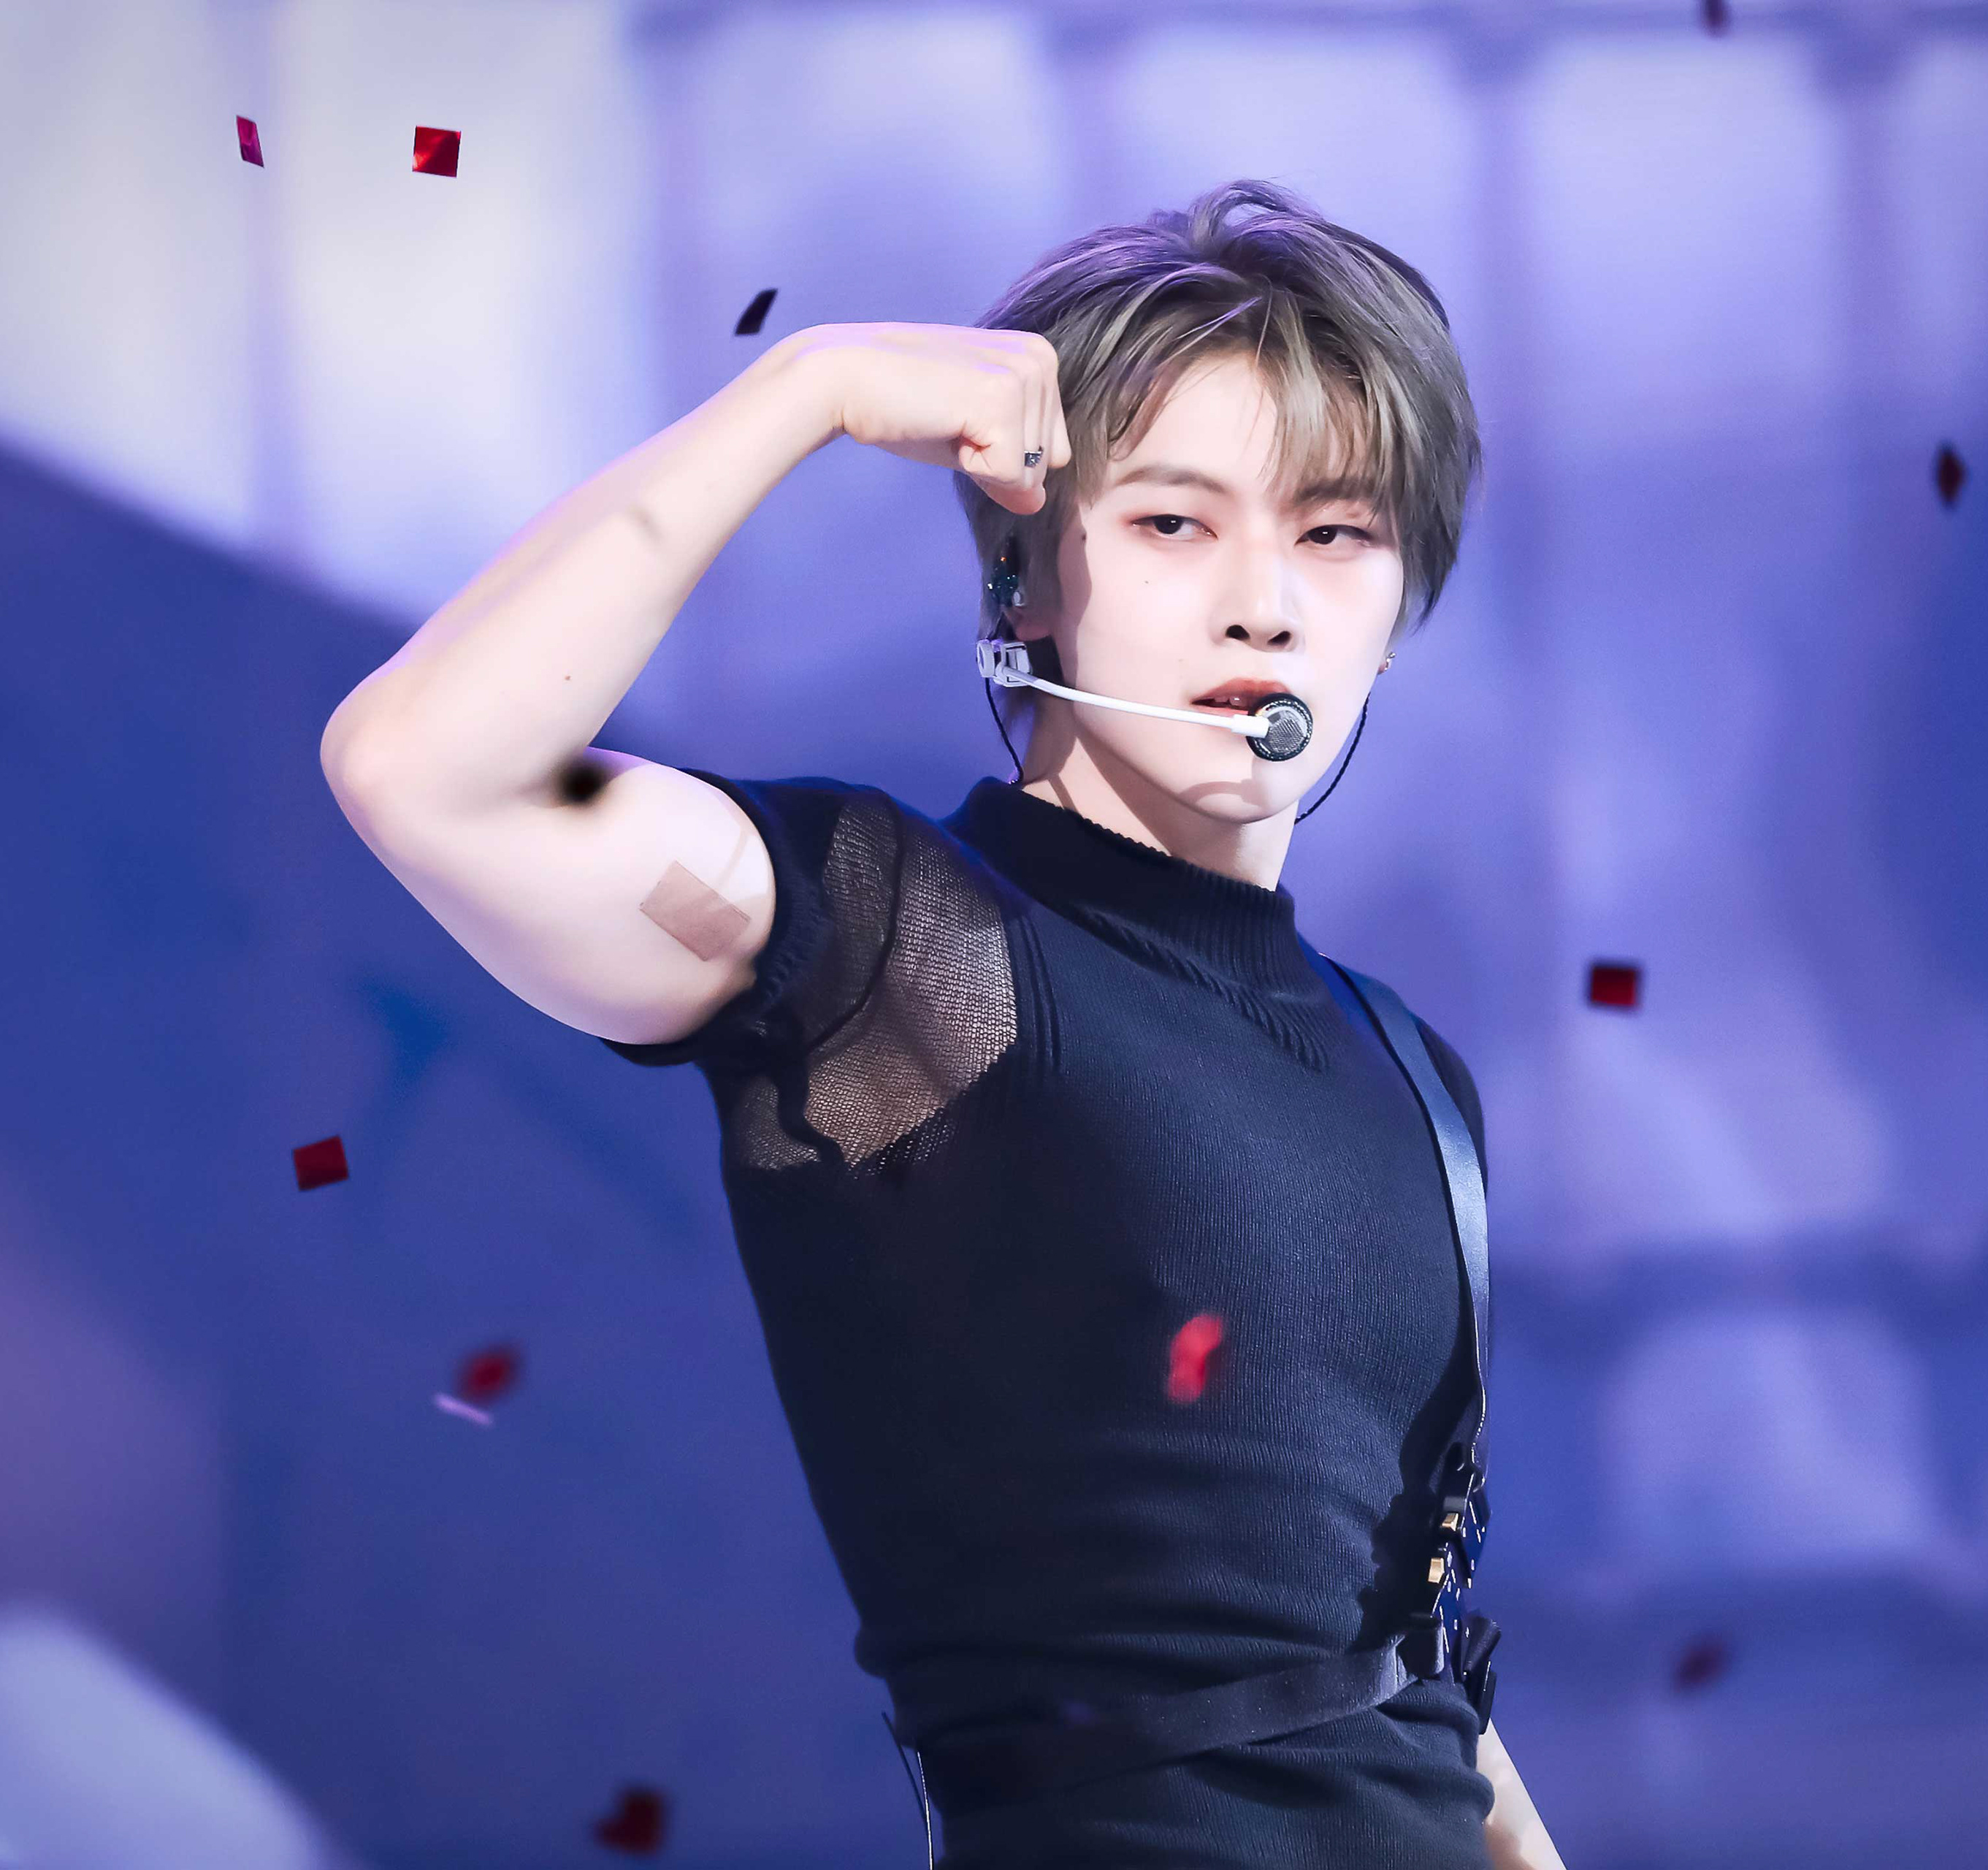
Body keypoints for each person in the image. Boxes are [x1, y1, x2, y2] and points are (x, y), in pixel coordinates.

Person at [319, 178, 1564, 1870]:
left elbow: (1402, 1671)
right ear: (1023, 580)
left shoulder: (1410, 1068)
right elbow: (419, 768)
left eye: (1334, 533)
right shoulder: (912, 950)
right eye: (1174, 522)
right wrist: (807, 390)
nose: (1263, 600)